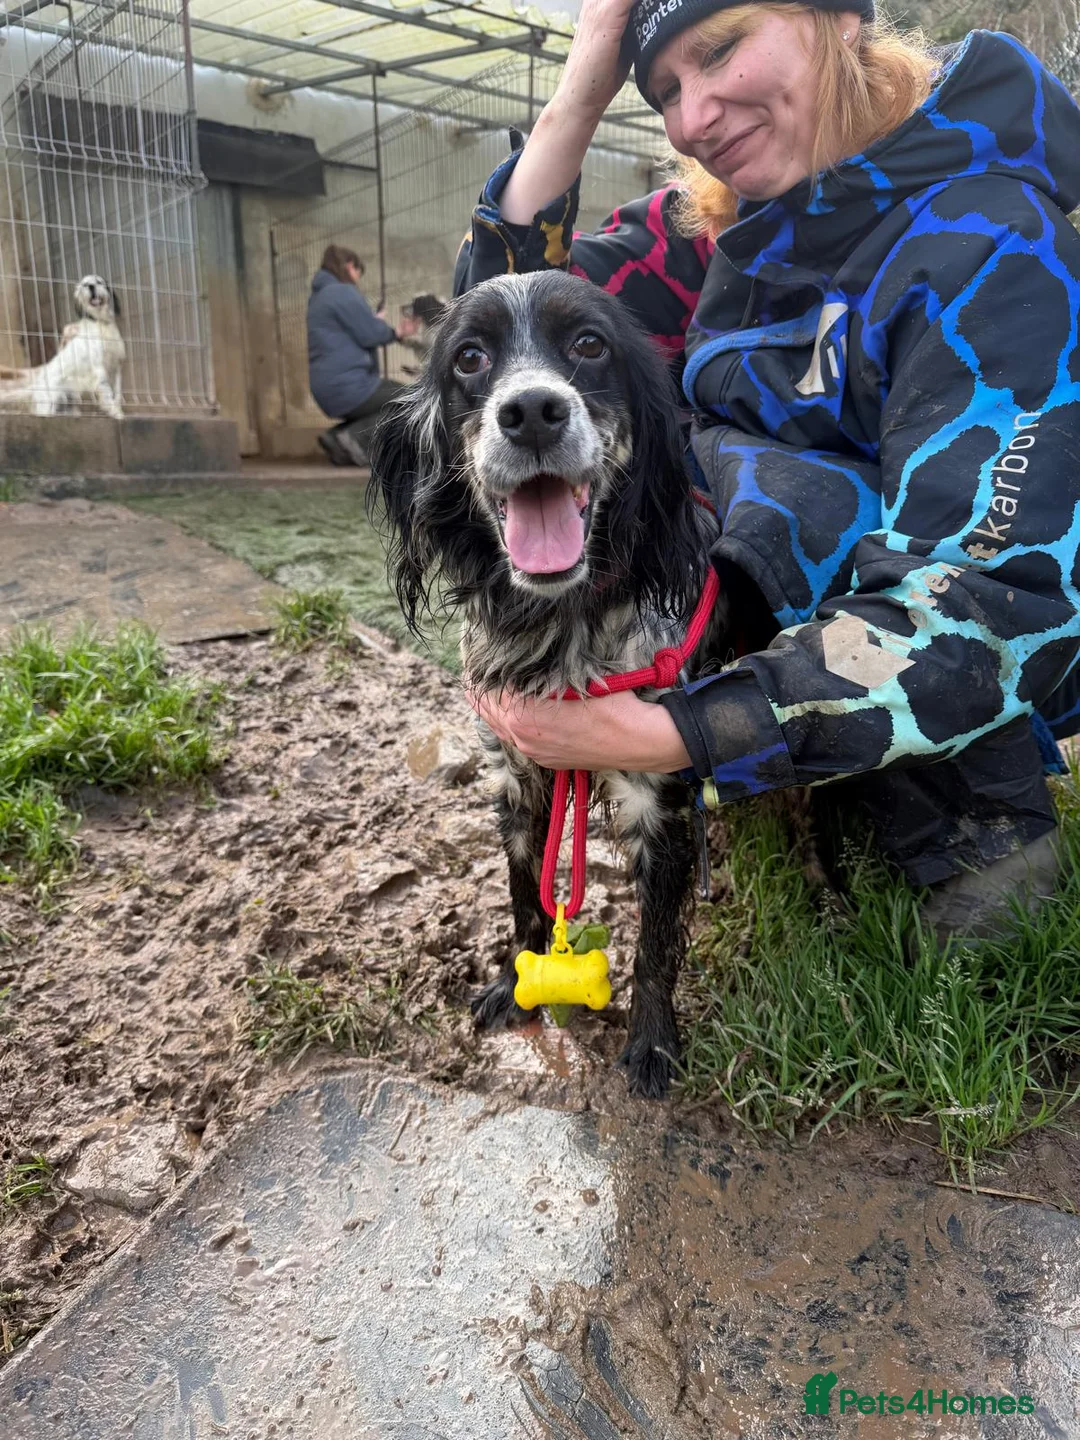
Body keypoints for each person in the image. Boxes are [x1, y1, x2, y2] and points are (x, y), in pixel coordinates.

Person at [458, 0, 1080, 941]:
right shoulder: (725, 227)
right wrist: (581, 87)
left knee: (985, 939)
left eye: (719, 51)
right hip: (786, 602)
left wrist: (674, 734)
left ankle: (976, 822)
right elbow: (504, 328)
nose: (694, 117)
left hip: (963, 635)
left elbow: (996, 598)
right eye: (662, 91)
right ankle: (773, 752)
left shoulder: (994, 243)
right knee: (673, 449)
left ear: (839, 18)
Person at [306, 245, 418, 465]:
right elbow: (370, 334)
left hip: (329, 387)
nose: (358, 280)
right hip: (349, 385)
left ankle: (335, 438)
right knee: (411, 400)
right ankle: (354, 440)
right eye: (359, 273)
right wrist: (396, 332)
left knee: (389, 398)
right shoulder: (342, 292)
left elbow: (354, 332)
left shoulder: (319, 297)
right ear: (350, 266)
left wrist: (373, 322)